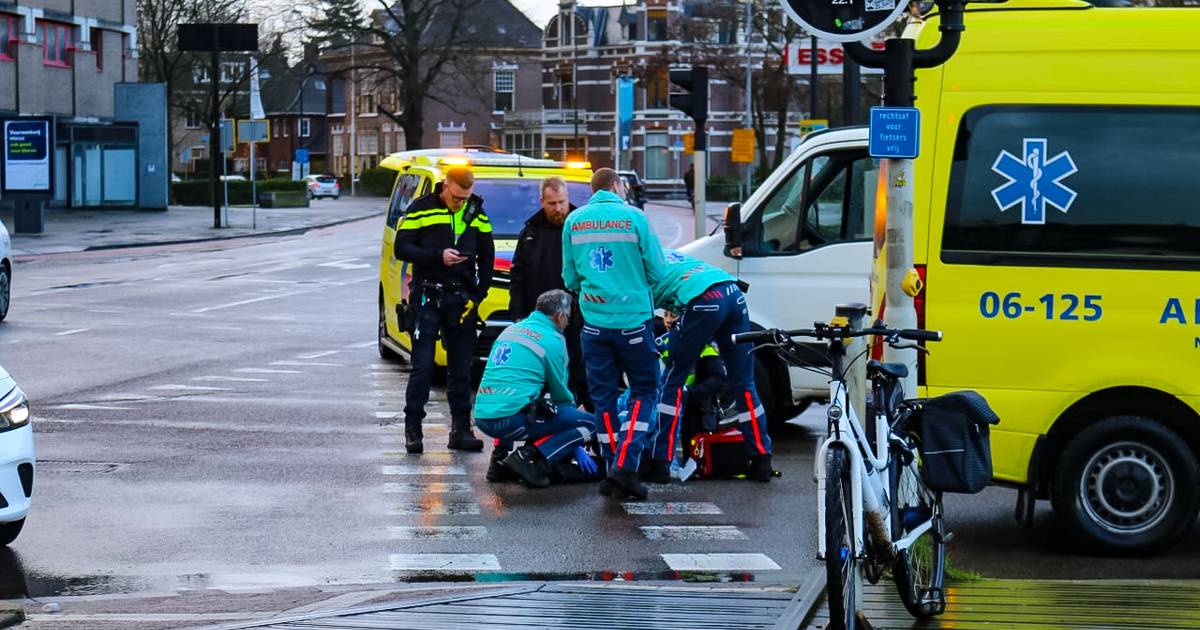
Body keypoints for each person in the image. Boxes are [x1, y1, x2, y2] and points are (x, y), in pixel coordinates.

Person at [562, 167, 666, 500]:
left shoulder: (574, 221)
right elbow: (658, 270)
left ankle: (611, 468)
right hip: (634, 320)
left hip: (594, 324)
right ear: (617, 186)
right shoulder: (634, 217)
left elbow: (570, 279)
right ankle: (626, 465)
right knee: (645, 392)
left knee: (603, 397)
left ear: (593, 190)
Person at [647, 249, 773, 482]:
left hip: (703, 300)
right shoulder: (671, 255)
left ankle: (660, 461)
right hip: (732, 293)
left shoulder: (636, 270)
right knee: (744, 382)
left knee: (672, 382)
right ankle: (761, 460)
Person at [394, 166, 492, 455]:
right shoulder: (421, 208)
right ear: (445, 186)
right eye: (457, 197)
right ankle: (414, 429)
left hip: (461, 299)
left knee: (461, 367)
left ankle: (461, 429)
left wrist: (479, 293)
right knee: (422, 366)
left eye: (465, 198)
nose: (460, 202)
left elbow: (488, 254)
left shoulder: (476, 212)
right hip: (427, 294)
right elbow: (402, 247)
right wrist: (437, 256)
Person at [473, 290, 596, 488]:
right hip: (510, 420)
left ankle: (498, 462)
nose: (567, 323)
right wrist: (575, 436)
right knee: (590, 423)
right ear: (559, 315)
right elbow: (561, 395)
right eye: (568, 318)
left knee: (516, 398)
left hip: (482, 415)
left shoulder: (511, 330)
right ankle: (526, 456)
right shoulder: (553, 340)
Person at [508, 176, 590, 410]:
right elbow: (519, 275)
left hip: (575, 317)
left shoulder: (580, 227)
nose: (558, 208)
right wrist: (518, 314)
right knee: (538, 373)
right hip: (540, 319)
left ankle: (582, 422)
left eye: (562, 202)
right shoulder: (531, 232)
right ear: (542, 201)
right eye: (552, 203)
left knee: (578, 371)